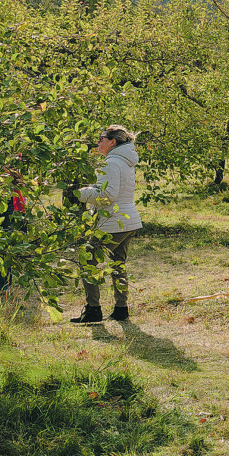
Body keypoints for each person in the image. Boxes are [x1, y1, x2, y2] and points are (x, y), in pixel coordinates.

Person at [72, 126, 142, 324]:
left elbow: (108, 195)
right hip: (129, 220)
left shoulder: (111, 162)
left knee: (87, 261)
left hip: (114, 222)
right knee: (118, 264)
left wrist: (82, 194)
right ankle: (121, 309)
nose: (98, 142)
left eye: (101, 138)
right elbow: (114, 191)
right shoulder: (125, 161)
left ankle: (93, 310)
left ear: (113, 142)